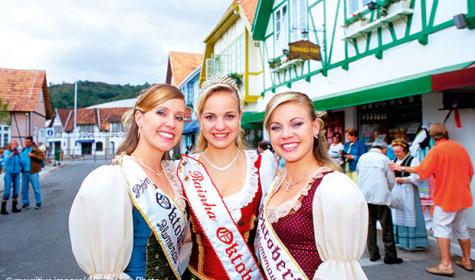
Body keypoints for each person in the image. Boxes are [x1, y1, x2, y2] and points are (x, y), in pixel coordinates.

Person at [69, 84, 191, 279]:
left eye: (179, 117)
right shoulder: (115, 179)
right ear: (139, 118)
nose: (171, 123)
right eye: (161, 112)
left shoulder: (176, 175)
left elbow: (177, 238)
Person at [256, 91, 368, 279]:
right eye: (276, 127)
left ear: (315, 127)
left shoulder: (334, 188)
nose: (286, 134)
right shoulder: (277, 183)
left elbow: (341, 271)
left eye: (297, 124)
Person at [177, 75, 274, 279]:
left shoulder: (262, 165)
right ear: (200, 118)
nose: (220, 126)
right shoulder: (183, 169)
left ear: (240, 117)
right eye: (210, 117)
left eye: (229, 116)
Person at [390, 123, 473, 276]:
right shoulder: (460, 148)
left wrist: (401, 168)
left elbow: (423, 172)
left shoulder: (436, 150)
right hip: (463, 195)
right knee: (461, 228)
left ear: (432, 138)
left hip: (445, 196)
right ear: (446, 133)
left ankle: (446, 264)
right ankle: (467, 260)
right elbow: (470, 171)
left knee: (441, 227)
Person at [357, 140, 403, 265]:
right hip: (381, 197)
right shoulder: (385, 159)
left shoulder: (363, 158)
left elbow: (358, 174)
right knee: (386, 227)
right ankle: (390, 256)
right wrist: (387, 189)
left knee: (370, 226)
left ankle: (373, 254)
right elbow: (391, 181)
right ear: (383, 149)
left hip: (365, 196)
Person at [390, 138, 428, 251]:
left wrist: (404, 179)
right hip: (397, 190)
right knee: (397, 214)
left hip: (409, 191)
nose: (397, 154)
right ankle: (400, 241)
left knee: (411, 213)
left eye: (399, 151)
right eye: (395, 151)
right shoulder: (394, 161)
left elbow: (418, 176)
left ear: (405, 150)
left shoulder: (413, 160)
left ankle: (414, 242)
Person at [20, 136, 44, 210]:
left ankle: (38, 203)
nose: (26, 143)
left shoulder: (35, 149)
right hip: (24, 172)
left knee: (36, 188)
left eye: (28, 142)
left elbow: (42, 158)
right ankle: (25, 203)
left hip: (33, 171)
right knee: (24, 189)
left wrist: (33, 155)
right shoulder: (23, 149)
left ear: (31, 142)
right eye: (25, 142)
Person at [1, 140, 22, 215]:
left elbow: (21, 162)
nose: (13, 145)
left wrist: (19, 155)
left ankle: (14, 208)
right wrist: (12, 154)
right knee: (7, 192)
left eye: (15, 144)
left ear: (17, 145)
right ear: (9, 145)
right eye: (12, 144)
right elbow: (5, 161)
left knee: (16, 191)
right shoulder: (7, 152)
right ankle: (3, 209)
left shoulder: (18, 152)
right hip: (9, 173)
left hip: (17, 173)